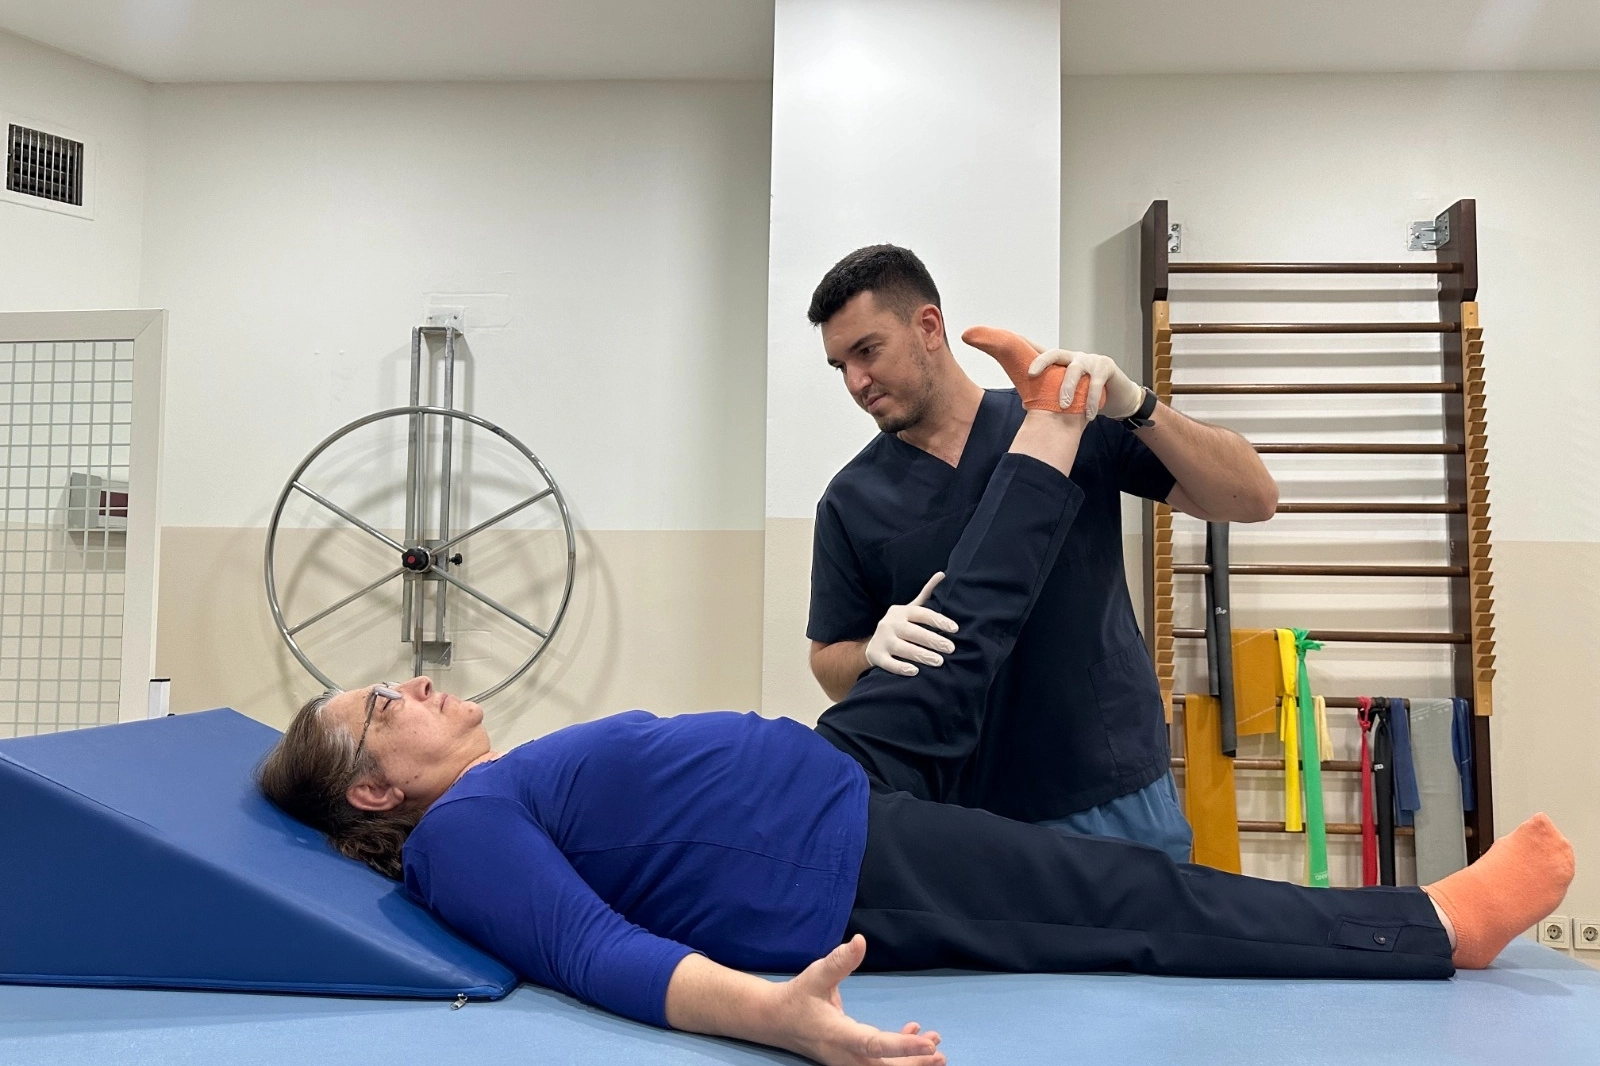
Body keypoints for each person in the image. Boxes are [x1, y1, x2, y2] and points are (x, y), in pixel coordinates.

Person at [260, 382, 1572, 1066]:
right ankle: (1430, 928)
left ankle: (1053, 429)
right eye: (382, 706)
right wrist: (777, 1016)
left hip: (821, 773)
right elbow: (596, 951)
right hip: (827, 863)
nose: (410, 684)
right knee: (1123, 898)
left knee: (952, 621)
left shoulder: (485, 793)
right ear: (373, 790)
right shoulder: (459, 837)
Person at [806, 245, 1279, 862]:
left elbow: (1253, 498)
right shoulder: (851, 501)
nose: (855, 382)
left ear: (928, 327)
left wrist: (1137, 406)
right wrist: (872, 651)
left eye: (867, 351)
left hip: (1114, 788)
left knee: (1154, 924)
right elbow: (827, 662)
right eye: (839, 366)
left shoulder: (1063, 420)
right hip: (967, 812)